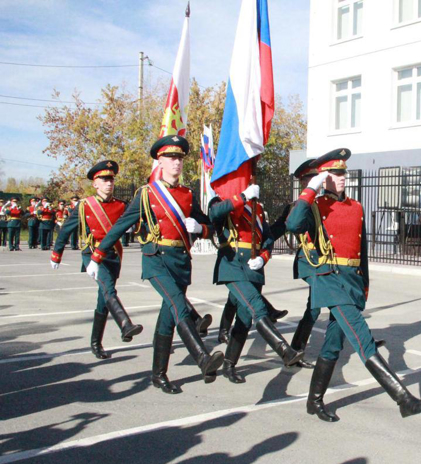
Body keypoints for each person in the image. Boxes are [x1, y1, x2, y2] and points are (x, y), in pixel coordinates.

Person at [286, 148, 421, 422]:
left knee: (332, 344)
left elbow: (361, 252)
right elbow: (293, 225)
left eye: (344, 173)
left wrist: (364, 287)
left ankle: (313, 402)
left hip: (351, 281)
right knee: (363, 338)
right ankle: (403, 398)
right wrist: (309, 191)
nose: (343, 177)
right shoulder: (314, 207)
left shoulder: (356, 207)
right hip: (329, 279)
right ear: (323, 177)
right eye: (336, 173)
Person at [86, 135, 223, 394]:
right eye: (170, 157)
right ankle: (203, 359)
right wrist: (97, 256)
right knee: (178, 306)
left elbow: (210, 225)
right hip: (156, 261)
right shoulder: (147, 194)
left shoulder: (187, 194)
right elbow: (120, 227)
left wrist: (201, 228)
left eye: (180, 158)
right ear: (159, 161)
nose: (176, 163)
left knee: (167, 319)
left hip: (180, 261)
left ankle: (158, 375)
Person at [207, 176, 306, 384]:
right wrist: (242, 197)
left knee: (244, 320)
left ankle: (229, 365)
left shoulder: (257, 209)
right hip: (232, 266)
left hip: (253, 270)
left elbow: (268, 238)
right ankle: (285, 351)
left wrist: (263, 257)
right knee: (257, 307)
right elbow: (214, 214)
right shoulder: (221, 202)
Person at [50, 161, 144, 359]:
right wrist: (57, 253)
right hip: (92, 255)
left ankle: (96, 343)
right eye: (104, 179)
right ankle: (125, 323)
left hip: (113, 255)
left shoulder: (121, 205)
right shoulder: (85, 206)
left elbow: (135, 224)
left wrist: (132, 229)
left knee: (103, 299)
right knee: (108, 289)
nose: (109, 183)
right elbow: (66, 229)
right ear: (95, 183)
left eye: (111, 179)